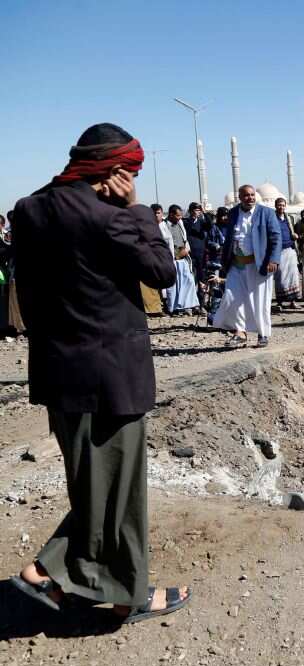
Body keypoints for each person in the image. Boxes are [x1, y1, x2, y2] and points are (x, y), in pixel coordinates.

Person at [10, 122, 189, 624]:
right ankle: (62, 576)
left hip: (57, 370)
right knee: (119, 490)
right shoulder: (110, 217)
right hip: (110, 376)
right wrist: (136, 209)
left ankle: (93, 584)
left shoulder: (28, 209)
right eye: (132, 172)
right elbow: (162, 272)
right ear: (114, 171)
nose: (134, 179)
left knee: (93, 486)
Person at [211, 184, 282, 348]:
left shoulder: (266, 213)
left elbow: (276, 237)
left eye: (252, 195)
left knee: (260, 301)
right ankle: (240, 332)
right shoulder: (234, 212)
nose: (250, 198)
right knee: (232, 297)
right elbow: (230, 237)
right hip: (236, 264)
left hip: (259, 265)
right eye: (246, 195)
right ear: (240, 197)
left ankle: (263, 333)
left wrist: (274, 259)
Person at [159, 204, 201, 315]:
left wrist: (186, 250)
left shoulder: (180, 223)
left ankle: (188, 306)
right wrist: (176, 255)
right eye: (177, 215)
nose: (179, 218)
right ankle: (174, 308)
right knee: (173, 286)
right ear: (171, 214)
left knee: (188, 282)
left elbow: (184, 239)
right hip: (172, 259)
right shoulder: (163, 226)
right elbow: (164, 244)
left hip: (183, 257)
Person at [273, 198, 302, 308]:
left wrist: (294, 235)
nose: (281, 207)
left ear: (285, 206)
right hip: (278, 251)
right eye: (279, 205)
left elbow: (293, 230)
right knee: (280, 277)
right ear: (276, 206)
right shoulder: (272, 218)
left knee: (293, 276)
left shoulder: (289, 218)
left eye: (283, 205)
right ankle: (279, 302)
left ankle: (293, 302)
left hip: (290, 249)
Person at [183, 202, 209, 289]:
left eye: (199, 210)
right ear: (191, 211)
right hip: (191, 253)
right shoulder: (185, 221)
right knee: (192, 276)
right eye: (196, 210)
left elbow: (210, 225)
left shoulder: (201, 222)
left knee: (201, 275)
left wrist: (204, 213)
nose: (198, 212)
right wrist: (193, 218)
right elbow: (189, 227)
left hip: (201, 253)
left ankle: (202, 296)